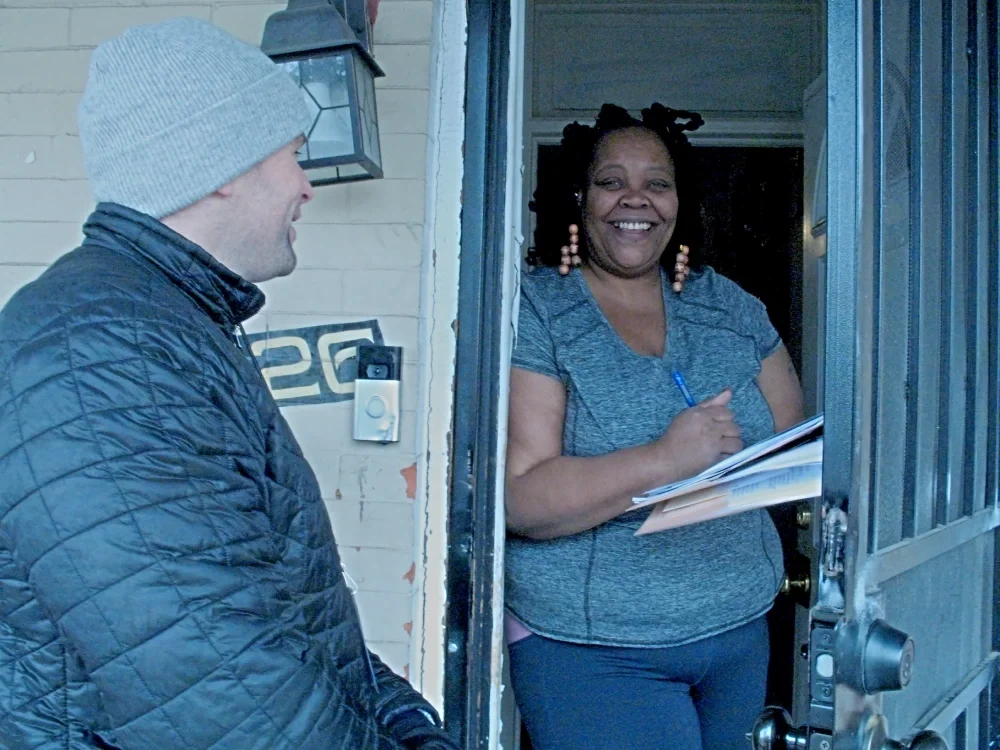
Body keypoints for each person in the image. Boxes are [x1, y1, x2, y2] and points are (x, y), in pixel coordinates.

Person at [0, 18, 456, 750]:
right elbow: (227, 700)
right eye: (294, 157)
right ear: (219, 165)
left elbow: (283, 617)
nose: (307, 187)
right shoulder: (102, 357)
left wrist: (402, 720)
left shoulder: (159, 325)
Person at [504, 103, 805, 750]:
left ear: (678, 201)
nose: (634, 199)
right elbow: (523, 497)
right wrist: (664, 460)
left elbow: (787, 437)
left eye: (657, 182)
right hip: (596, 646)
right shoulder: (540, 309)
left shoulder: (727, 303)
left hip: (739, 628)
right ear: (579, 198)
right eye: (611, 181)